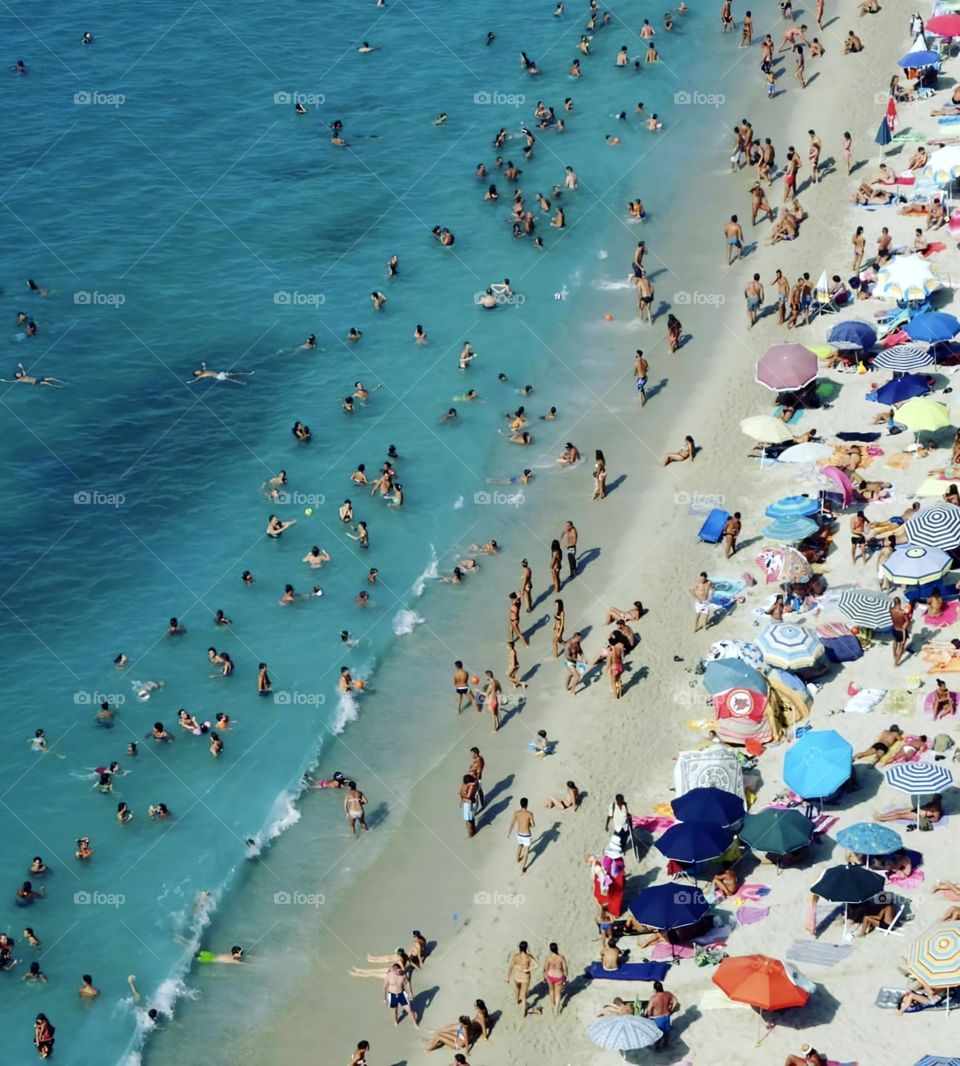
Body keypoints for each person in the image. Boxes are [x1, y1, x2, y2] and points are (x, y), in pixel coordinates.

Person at [506, 942, 538, 1016]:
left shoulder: (516, 956)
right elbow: (536, 965)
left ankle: (517, 1001)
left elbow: (511, 967)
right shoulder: (529, 957)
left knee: (517, 988)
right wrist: (528, 969)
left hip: (517, 976)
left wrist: (508, 977)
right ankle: (523, 1012)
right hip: (525, 977)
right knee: (524, 995)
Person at [383, 962, 418, 1027]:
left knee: (409, 1010)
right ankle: (395, 1021)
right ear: (393, 970)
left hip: (402, 994)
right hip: (392, 995)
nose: (398, 973)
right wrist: (384, 998)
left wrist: (410, 993)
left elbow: (407, 983)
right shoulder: (389, 976)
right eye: (397, 971)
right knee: (394, 1010)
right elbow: (385, 986)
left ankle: (415, 1023)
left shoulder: (403, 975)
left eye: (399, 971)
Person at [645, 980, 678, 1050]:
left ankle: (657, 1048)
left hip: (658, 1018)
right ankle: (666, 1045)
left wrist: (649, 1016)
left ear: (655, 989)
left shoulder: (653, 998)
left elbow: (649, 1009)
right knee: (666, 1032)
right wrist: (671, 1010)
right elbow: (675, 1001)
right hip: (667, 1015)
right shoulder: (668, 994)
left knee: (658, 1034)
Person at [507, 798, 535, 873]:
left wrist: (509, 832)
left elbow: (512, 823)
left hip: (519, 834)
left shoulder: (516, 813)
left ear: (520, 804)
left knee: (520, 846)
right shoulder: (530, 813)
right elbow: (533, 825)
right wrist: (528, 823)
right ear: (527, 804)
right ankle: (522, 868)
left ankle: (517, 859)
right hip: (526, 835)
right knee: (526, 851)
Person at [543, 943, 568, 1014]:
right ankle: (556, 1010)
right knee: (558, 993)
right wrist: (565, 976)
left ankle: (552, 1005)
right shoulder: (561, 957)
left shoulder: (548, 957)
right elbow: (565, 968)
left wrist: (544, 975)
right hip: (559, 976)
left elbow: (545, 968)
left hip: (550, 975)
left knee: (551, 990)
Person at [890, 596, 911, 667]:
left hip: (894, 628)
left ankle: (894, 654)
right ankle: (896, 662)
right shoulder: (903, 612)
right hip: (901, 630)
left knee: (895, 641)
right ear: (899, 603)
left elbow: (892, 618)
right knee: (902, 645)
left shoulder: (891, 610)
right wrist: (909, 618)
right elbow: (908, 622)